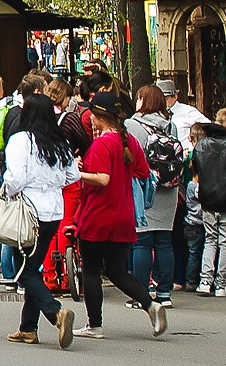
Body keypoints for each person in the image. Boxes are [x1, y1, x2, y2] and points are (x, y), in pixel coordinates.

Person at [71, 92, 165, 340]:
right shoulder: (129, 141)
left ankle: (95, 325)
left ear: (99, 117)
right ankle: (150, 304)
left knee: (91, 270)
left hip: (98, 214)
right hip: (123, 215)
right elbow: (142, 172)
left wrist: (76, 173)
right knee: (117, 270)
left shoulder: (102, 144)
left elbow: (103, 179)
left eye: (91, 114)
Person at [0, 94, 79, 347]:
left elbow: (15, 178)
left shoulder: (21, 141)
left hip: (28, 211)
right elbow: (72, 175)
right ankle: (28, 327)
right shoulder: (60, 142)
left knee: (23, 271)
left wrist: (4, 193)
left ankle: (55, 312)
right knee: (33, 267)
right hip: (54, 211)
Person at [125, 86, 182, 307]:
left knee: (142, 242)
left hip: (143, 187)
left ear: (142, 100)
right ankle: (165, 293)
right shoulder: (171, 127)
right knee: (164, 242)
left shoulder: (132, 125)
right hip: (168, 189)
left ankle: (141, 294)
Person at [189, 119, 226, 296]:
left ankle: (205, 281)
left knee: (210, 239)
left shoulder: (202, 145)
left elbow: (196, 167)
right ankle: (221, 284)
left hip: (208, 199)